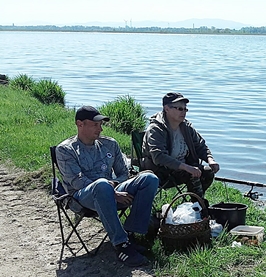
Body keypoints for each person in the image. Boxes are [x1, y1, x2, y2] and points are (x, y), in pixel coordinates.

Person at [56, 106, 159, 267]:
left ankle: (131, 233)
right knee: (102, 185)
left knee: (149, 178)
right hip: (82, 197)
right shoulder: (66, 150)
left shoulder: (109, 144)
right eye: (95, 125)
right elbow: (77, 181)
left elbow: (123, 173)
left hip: (110, 189)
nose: (100, 128)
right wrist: (112, 192)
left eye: (101, 124)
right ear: (80, 124)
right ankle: (121, 245)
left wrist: (115, 187)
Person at [141, 92, 220, 201]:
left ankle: (194, 204)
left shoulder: (186, 127)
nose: (183, 112)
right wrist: (186, 167)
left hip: (182, 169)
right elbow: (159, 157)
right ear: (167, 109)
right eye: (179, 109)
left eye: (185, 109)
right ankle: (199, 207)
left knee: (207, 172)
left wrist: (210, 160)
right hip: (160, 171)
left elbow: (200, 145)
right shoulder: (156, 129)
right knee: (192, 174)